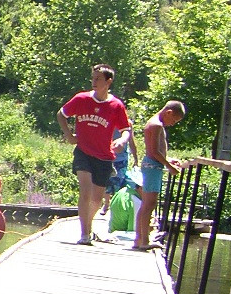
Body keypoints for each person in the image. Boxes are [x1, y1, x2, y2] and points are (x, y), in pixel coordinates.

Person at [56, 64, 132, 246]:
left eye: (98, 79)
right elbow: (61, 114)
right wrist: (68, 135)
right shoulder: (81, 99)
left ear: (108, 81)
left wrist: (122, 140)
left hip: (105, 156)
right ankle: (84, 234)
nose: (94, 82)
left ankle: (87, 226)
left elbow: (126, 129)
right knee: (85, 191)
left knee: (97, 198)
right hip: (83, 152)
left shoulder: (116, 105)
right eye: (93, 78)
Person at [133, 101, 187, 251]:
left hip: (153, 166)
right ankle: (144, 240)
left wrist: (169, 160)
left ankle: (139, 239)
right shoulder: (156, 125)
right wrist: (170, 167)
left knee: (147, 204)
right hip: (152, 167)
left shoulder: (155, 123)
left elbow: (156, 151)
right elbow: (154, 152)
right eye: (174, 120)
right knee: (149, 204)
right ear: (168, 112)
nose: (173, 124)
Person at [99, 125, 135, 215]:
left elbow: (131, 142)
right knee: (107, 182)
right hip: (107, 157)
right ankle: (106, 204)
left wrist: (136, 158)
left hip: (122, 159)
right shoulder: (108, 119)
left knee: (119, 183)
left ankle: (115, 206)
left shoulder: (128, 124)